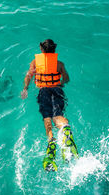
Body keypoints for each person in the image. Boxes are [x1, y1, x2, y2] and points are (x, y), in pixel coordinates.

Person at [21, 39, 78, 171]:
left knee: (47, 117)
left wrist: (25, 89)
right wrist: (61, 84)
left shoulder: (35, 62)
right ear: (54, 50)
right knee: (58, 115)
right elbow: (66, 78)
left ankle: (51, 140)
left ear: (42, 49)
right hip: (57, 90)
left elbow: (29, 76)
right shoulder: (59, 64)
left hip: (43, 92)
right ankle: (65, 129)